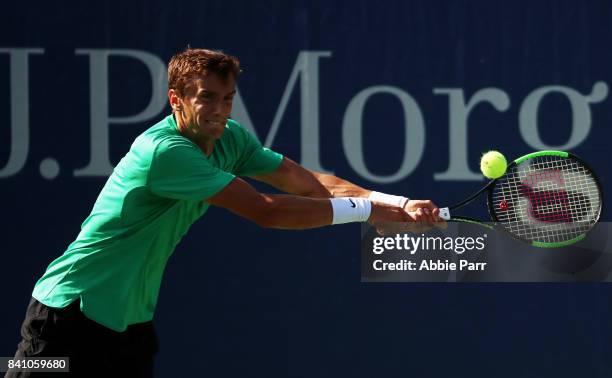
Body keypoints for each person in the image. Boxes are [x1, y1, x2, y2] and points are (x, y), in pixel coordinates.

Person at [6, 48, 444, 377]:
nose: (219, 111)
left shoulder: (230, 138)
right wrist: (365, 211)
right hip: (67, 319)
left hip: (129, 326)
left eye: (228, 98)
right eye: (206, 99)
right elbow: (267, 210)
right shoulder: (164, 152)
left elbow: (307, 185)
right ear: (176, 99)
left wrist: (392, 203)